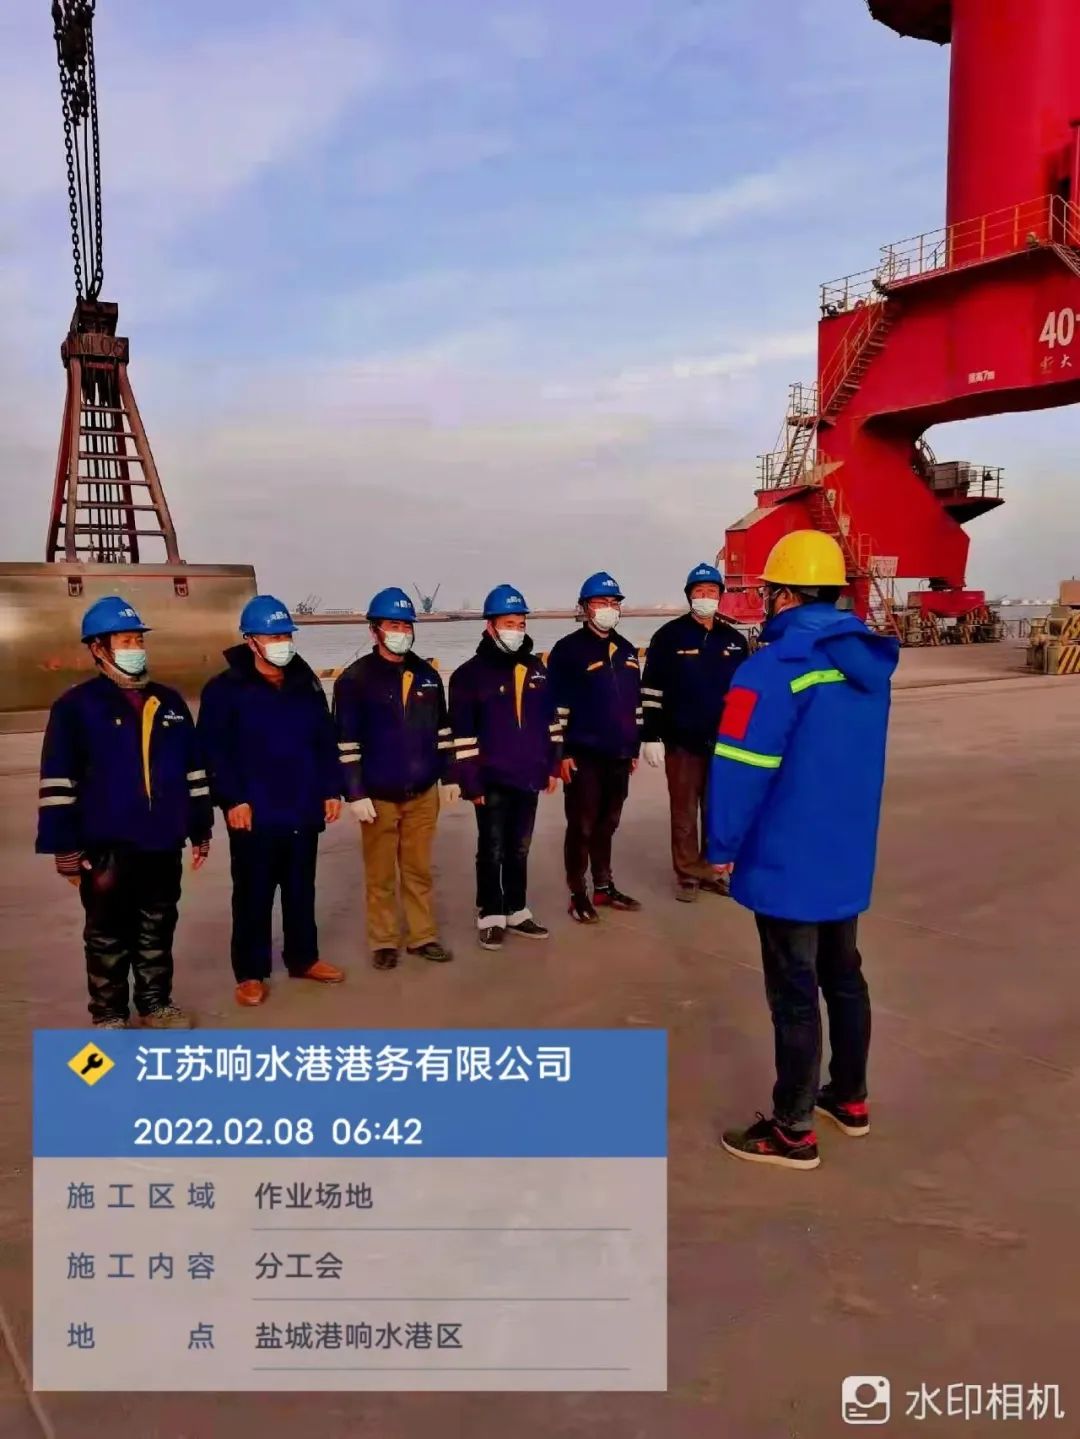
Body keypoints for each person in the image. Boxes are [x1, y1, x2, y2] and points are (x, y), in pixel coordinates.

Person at [704, 531, 899, 1170]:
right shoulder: (868, 665)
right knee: (844, 976)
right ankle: (849, 1096)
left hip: (786, 857)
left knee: (794, 992)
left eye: (768, 593)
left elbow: (740, 766)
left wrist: (722, 843)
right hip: (844, 854)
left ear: (783, 595)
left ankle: (792, 1130)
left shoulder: (772, 668)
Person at [35, 596, 212, 1030]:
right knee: (106, 933)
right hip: (105, 844)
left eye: (139, 640)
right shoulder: (76, 707)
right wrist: (63, 847)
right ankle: (109, 1013)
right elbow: (58, 782)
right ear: (98, 648)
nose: (136, 648)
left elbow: (194, 771)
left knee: (158, 926)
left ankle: (154, 1004)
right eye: (126, 640)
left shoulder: (169, 703)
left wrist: (200, 827)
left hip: (162, 839)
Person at [197, 595, 345, 1007]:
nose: (283, 643)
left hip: (302, 804)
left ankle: (304, 958)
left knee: (300, 889)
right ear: (251, 641)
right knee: (253, 894)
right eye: (274, 636)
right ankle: (250, 972)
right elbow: (214, 751)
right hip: (253, 811)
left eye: (286, 635)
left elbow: (324, 739)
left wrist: (330, 789)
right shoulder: (224, 690)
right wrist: (232, 799)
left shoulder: (305, 683)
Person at [332, 587, 456, 969]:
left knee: (419, 870)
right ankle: (384, 940)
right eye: (393, 625)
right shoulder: (354, 680)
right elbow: (346, 742)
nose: (401, 632)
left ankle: (423, 936)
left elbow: (443, 730)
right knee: (381, 873)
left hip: (423, 792)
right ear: (374, 630)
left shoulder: (428, 676)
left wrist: (450, 774)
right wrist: (354, 792)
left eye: (406, 626)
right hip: (378, 795)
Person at [448, 584, 562, 950]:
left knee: (520, 848)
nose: (516, 630)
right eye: (509, 623)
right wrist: (470, 782)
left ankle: (516, 909)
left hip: (529, 775)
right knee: (492, 848)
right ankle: (490, 912)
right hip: (491, 780)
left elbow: (551, 722)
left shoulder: (537, 669)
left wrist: (552, 765)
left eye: (521, 623)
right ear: (490, 626)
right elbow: (463, 737)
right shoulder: (468, 676)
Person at [641, 562, 749, 900]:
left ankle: (713, 871)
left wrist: (744, 737)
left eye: (712, 592)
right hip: (681, 742)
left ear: (720, 596)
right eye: (699, 591)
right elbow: (651, 689)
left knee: (717, 811)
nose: (705, 597)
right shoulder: (668, 636)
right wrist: (651, 735)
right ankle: (688, 874)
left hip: (724, 743)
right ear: (689, 596)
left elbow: (745, 694)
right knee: (684, 813)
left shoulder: (734, 641)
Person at [547, 571, 643, 923]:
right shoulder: (568, 651)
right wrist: (561, 754)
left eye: (614, 603)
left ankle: (604, 886)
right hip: (583, 756)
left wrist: (633, 748)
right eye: (601, 602)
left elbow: (634, 705)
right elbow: (554, 708)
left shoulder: (627, 650)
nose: (608, 608)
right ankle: (578, 894)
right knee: (582, 826)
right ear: (585, 607)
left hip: (619, 755)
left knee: (608, 823)